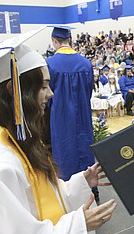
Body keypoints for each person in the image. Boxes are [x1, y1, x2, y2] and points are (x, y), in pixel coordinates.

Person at [0, 31, 116, 234]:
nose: (51, 93)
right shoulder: (1, 167)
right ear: (14, 91)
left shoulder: (15, 139)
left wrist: (80, 183)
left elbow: (37, 198)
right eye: (43, 86)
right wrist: (79, 225)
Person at [46, 26, 95, 182]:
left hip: (60, 115)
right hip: (82, 113)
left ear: (54, 41)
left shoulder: (50, 64)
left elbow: (47, 94)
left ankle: (69, 187)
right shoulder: (85, 63)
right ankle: (89, 186)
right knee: (84, 145)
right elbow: (89, 91)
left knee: (64, 148)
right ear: (70, 40)